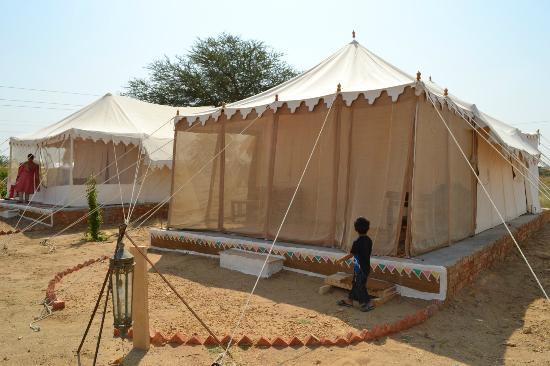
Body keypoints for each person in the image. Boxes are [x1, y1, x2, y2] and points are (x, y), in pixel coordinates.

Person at [335, 217, 374, 312]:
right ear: (367, 228)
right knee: (356, 284)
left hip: (359, 269)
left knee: (360, 286)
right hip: (365, 268)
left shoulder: (356, 242)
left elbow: (351, 254)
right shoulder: (369, 240)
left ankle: (367, 303)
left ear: (356, 229)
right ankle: (349, 300)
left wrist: (341, 260)